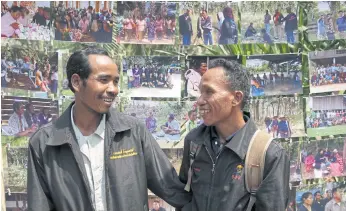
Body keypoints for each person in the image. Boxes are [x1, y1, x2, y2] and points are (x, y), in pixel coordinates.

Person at [27, 48, 191, 210]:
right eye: (104, 80)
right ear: (76, 82)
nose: (114, 89)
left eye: (116, 81)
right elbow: (39, 205)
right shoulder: (44, 143)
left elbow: (174, 190)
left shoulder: (133, 132)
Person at [178, 59, 289, 210]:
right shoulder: (194, 142)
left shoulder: (268, 154)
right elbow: (184, 197)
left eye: (209, 92)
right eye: (200, 92)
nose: (199, 101)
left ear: (236, 98)